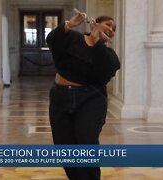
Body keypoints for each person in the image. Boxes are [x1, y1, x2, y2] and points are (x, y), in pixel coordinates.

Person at [46, 10, 120, 180]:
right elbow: (52, 41)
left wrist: (96, 43)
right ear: (95, 23)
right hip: (60, 98)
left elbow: (105, 73)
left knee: (87, 143)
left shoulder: (109, 55)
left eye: (114, 29)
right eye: (108, 24)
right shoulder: (73, 37)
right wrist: (69, 25)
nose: (111, 30)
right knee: (64, 147)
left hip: (91, 100)